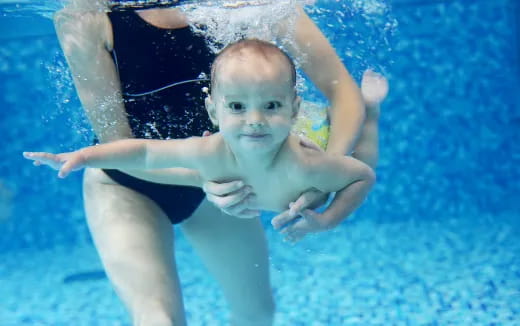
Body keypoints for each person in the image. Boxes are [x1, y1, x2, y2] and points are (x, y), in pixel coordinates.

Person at [47, 0, 377, 325]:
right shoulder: (87, 14)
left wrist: (321, 175)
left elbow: (344, 94)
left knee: (258, 314)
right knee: (156, 318)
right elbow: (122, 148)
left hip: (224, 180)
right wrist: (205, 178)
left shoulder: (255, 4)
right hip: (127, 185)